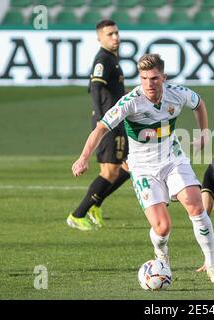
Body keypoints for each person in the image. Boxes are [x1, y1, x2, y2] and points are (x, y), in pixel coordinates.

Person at [71, 53, 214, 284]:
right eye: (143, 78)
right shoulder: (130, 101)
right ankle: (161, 254)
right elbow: (101, 128)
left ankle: (212, 264)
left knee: (195, 206)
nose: (148, 84)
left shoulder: (178, 94)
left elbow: (199, 103)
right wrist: (83, 157)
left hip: (173, 159)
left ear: (164, 77)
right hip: (143, 167)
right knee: (162, 227)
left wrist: (204, 133)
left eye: (154, 78)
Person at [67, 19, 130, 231]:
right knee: (111, 172)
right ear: (99, 38)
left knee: (128, 166)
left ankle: (96, 204)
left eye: (116, 33)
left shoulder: (112, 58)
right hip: (109, 121)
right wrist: (103, 120)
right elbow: (95, 88)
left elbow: (110, 90)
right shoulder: (103, 58)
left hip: (115, 119)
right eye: (110, 34)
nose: (115, 37)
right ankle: (78, 214)